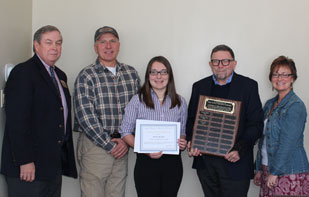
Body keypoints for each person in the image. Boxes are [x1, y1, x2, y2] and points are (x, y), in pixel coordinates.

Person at [1, 25, 77, 197]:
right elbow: (17, 120)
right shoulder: (23, 72)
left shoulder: (60, 76)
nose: (54, 48)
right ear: (36, 45)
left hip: (52, 166)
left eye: (58, 43)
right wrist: (25, 160)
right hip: (28, 168)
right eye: (48, 42)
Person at [186, 44, 264, 197]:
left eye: (225, 61)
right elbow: (191, 120)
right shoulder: (199, 87)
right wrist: (191, 142)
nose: (220, 66)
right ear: (210, 64)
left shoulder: (249, 86)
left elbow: (256, 125)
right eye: (216, 61)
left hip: (236, 165)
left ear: (234, 63)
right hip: (206, 165)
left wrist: (239, 149)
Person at [74, 26, 141, 197]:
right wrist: (109, 144)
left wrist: (126, 140)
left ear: (119, 45)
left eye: (112, 41)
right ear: (95, 47)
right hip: (95, 148)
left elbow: (139, 111)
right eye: (103, 42)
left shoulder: (131, 74)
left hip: (123, 146)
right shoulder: (86, 75)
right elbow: (85, 117)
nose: (108, 46)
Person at [119, 56, 187, 197]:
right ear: (148, 75)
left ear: (169, 75)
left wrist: (182, 142)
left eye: (163, 72)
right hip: (146, 164)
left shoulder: (180, 102)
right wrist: (144, 149)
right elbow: (125, 132)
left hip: (172, 165)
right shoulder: (137, 100)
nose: (158, 76)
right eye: (154, 72)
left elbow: (182, 132)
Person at [254, 56, 309, 196]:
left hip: (288, 170)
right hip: (268, 168)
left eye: (285, 74)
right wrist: (259, 169)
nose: (280, 78)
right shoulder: (269, 104)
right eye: (276, 74)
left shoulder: (295, 106)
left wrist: (275, 171)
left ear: (293, 78)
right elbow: (263, 140)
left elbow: (288, 143)